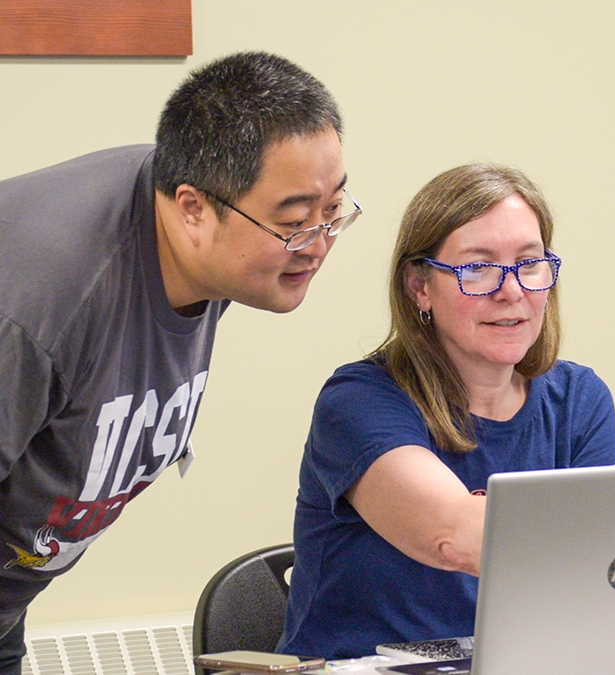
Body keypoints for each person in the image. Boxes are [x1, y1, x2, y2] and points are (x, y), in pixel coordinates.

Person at [0, 52, 357, 674]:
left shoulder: (207, 237)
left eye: (333, 211)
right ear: (192, 208)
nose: (319, 243)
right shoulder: (39, 304)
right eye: (297, 221)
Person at [279, 164, 615, 659]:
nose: (512, 290)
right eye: (477, 268)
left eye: (529, 263)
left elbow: (590, 593)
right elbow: (455, 534)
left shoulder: (580, 401)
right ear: (420, 286)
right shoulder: (357, 401)